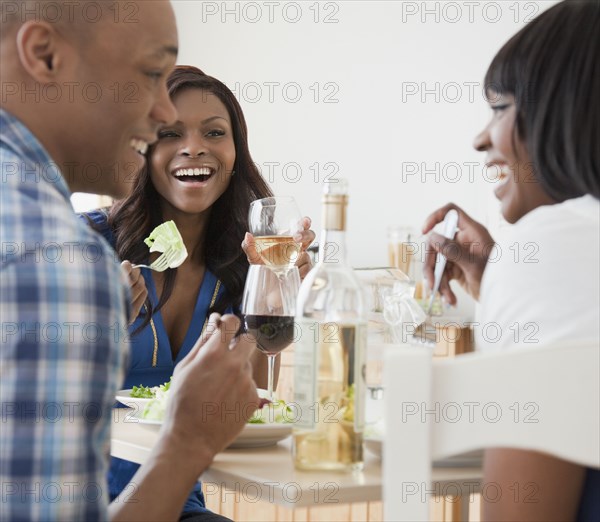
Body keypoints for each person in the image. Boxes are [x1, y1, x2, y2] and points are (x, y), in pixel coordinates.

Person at [0, 2, 259, 521]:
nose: (163, 113)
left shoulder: (242, 262)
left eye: (213, 132)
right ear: (44, 55)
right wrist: (187, 441)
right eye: (150, 73)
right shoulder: (62, 258)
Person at [81, 65, 314, 520]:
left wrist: (269, 299)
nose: (194, 147)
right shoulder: (87, 245)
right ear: (143, 147)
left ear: (235, 152)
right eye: (170, 133)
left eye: (214, 132)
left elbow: (243, 404)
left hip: (172, 500)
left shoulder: (241, 262)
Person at [422, 1, 599, 520]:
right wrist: (496, 282)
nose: (482, 138)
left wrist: (522, 271)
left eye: (501, 108)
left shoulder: (554, 244)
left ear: (570, 109)